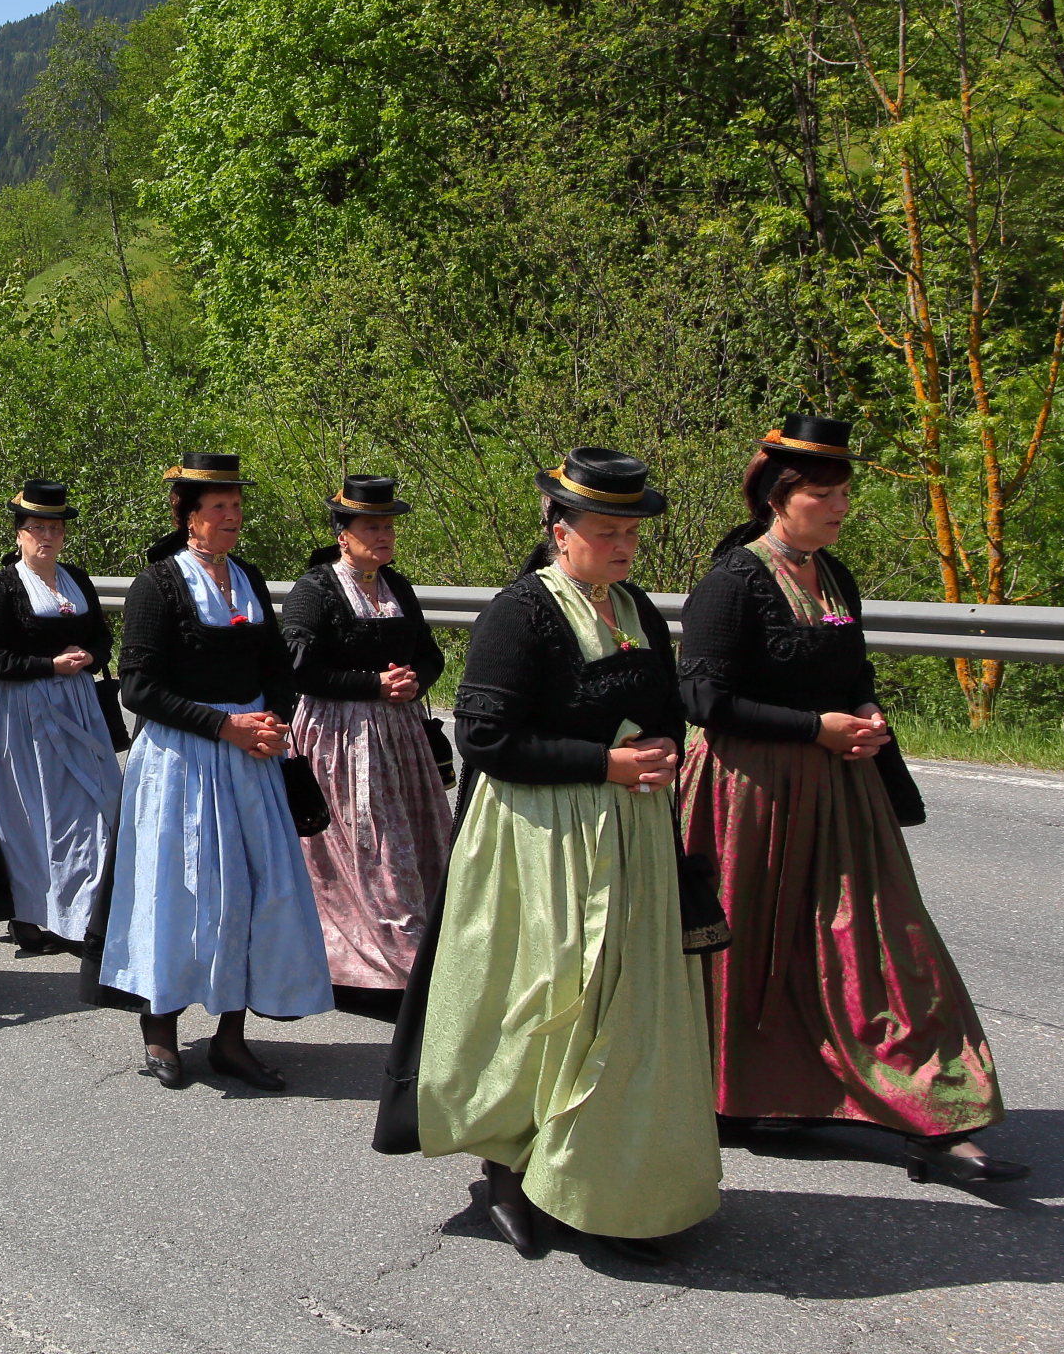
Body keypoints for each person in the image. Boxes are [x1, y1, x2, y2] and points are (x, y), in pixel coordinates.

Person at [380, 447, 720, 1265]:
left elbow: (668, 706)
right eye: (607, 533)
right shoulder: (521, 613)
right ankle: (508, 1171)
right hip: (540, 842)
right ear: (558, 531)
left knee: (626, 1013)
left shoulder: (635, 607)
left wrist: (666, 746)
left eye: (631, 533)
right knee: (544, 1002)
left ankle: (601, 1183)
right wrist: (603, 764)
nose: (624, 547)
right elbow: (486, 738)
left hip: (630, 835)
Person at [678, 417, 1022, 1184]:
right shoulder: (732, 580)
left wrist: (864, 715)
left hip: (838, 789)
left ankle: (938, 1117)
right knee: (756, 951)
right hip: (749, 795)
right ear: (780, 497)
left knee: (881, 944)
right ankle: (741, 1096)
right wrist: (813, 728)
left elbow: (851, 670)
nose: (839, 509)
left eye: (842, 495)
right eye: (824, 496)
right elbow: (702, 695)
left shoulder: (834, 576)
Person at [86, 453, 331, 1092]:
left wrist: (275, 719)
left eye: (236, 506)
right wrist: (225, 726)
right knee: (176, 892)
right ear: (189, 517)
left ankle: (229, 1036)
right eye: (218, 507)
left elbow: (279, 664)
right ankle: (160, 1027)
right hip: (181, 761)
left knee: (248, 892)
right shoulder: (158, 585)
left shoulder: (246, 577)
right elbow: (137, 687)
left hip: (250, 760)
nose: (232, 516)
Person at [281, 476, 453, 1014]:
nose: (383, 535)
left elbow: (429, 653)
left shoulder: (395, 587)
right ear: (343, 535)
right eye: (371, 527)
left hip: (398, 737)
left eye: (388, 526)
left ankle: (421, 957)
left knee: (413, 841)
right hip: (339, 736)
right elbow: (299, 665)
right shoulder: (316, 589)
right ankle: (372, 966)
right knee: (365, 848)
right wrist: (371, 685)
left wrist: (414, 682)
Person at [0, 480, 118, 957]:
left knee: (89, 809)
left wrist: (87, 657)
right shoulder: (2, 587)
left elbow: (102, 639)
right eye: (37, 528)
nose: (47, 536)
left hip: (75, 708)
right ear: (19, 534)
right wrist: (46, 666)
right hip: (18, 716)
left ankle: (84, 914)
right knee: (29, 818)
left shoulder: (76, 579)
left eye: (54, 528)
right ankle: (31, 918)